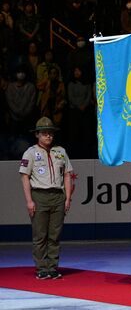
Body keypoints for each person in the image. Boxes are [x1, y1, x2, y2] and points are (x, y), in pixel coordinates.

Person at [19, 117, 73, 280]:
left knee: (55, 234)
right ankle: (42, 267)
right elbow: (24, 177)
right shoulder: (30, 152)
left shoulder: (60, 151)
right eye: (44, 133)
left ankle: (53, 267)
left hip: (58, 195)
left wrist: (68, 197)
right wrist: (29, 200)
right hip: (39, 195)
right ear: (37, 135)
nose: (48, 136)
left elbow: (67, 174)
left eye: (50, 133)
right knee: (40, 234)